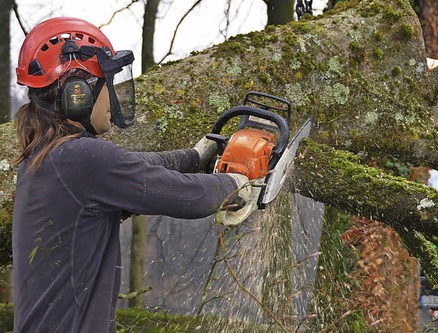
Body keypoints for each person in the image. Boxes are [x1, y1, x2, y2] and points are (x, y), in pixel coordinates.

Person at [11, 17, 258, 332]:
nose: (112, 99)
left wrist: (194, 157)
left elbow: (136, 167)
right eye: (105, 84)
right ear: (78, 92)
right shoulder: (81, 158)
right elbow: (187, 196)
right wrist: (236, 183)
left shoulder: (46, 158)